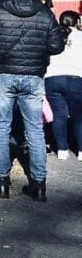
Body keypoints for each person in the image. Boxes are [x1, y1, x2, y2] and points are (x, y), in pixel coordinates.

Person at [0, 0, 64, 201]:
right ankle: (39, 185)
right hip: (33, 76)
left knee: (1, 129)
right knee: (35, 130)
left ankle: (1, 184)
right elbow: (56, 46)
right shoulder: (44, 14)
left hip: (2, 76)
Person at [45, 10, 82, 161]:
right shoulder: (80, 36)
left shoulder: (52, 36)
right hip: (75, 78)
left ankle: (62, 149)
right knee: (79, 117)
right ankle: (81, 151)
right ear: (77, 22)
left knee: (59, 115)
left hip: (52, 79)